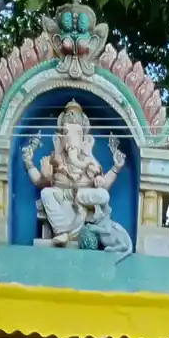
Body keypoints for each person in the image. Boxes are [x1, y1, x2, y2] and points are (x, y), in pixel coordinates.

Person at [23, 101, 128, 247]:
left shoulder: (90, 161)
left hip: (82, 197)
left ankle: (71, 230)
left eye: (77, 133)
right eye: (67, 132)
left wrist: (115, 169)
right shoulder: (55, 160)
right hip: (61, 195)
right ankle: (61, 232)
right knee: (46, 193)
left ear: (84, 137)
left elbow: (103, 185)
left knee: (103, 195)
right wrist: (30, 164)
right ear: (60, 138)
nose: (72, 138)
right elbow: (39, 182)